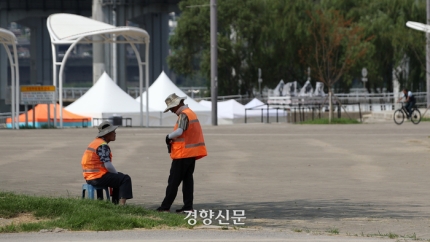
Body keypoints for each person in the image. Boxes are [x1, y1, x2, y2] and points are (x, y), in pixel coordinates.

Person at [156, 93, 207, 213]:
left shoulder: (184, 115)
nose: (172, 111)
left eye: (172, 108)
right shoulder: (191, 113)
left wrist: (168, 136)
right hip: (191, 154)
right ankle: (188, 207)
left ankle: (165, 207)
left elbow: (179, 131)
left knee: (173, 181)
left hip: (182, 154)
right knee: (188, 181)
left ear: (178, 104)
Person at [81, 121, 133, 205]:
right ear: (107, 134)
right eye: (113, 132)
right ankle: (121, 205)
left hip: (89, 176)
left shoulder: (95, 142)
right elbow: (108, 165)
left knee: (118, 179)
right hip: (97, 177)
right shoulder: (102, 145)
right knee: (125, 179)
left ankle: (115, 204)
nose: (115, 134)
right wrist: (116, 174)